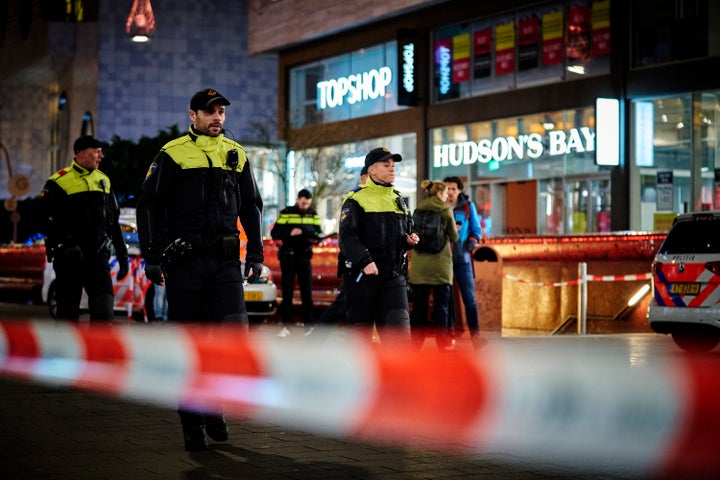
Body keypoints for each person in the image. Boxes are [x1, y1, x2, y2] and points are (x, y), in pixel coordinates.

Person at [136, 88, 264, 452]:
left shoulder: (236, 154)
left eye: (221, 111)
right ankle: (192, 422)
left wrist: (255, 254)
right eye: (210, 112)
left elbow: (251, 206)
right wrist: (152, 255)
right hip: (186, 263)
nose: (217, 118)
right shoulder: (172, 154)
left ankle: (215, 406)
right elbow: (148, 206)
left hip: (225, 263)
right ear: (192, 116)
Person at [35, 135, 129, 322]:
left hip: (98, 261)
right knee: (67, 317)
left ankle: (98, 352)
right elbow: (38, 219)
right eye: (97, 151)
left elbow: (113, 223)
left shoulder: (104, 181)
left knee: (104, 315)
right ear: (81, 153)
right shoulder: (58, 181)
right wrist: (66, 241)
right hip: (70, 260)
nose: (101, 156)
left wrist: (122, 257)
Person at [339, 147, 419, 345]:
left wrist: (410, 240)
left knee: (400, 341)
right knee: (361, 341)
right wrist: (365, 261)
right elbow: (347, 236)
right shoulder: (355, 199)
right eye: (386, 165)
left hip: (394, 278)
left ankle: (397, 376)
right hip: (363, 278)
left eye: (393, 165)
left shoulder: (398, 199)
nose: (392, 169)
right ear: (372, 170)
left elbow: (407, 230)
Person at [408, 180, 458, 351]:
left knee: (419, 308)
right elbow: (454, 236)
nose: (446, 197)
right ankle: (443, 345)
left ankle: (415, 345)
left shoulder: (417, 209)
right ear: (438, 194)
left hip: (419, 266)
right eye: (445, 194)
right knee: (441, 308)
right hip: (440, 266)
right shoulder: (445, 210)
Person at [270, 188, 322, 337]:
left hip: (305, 257)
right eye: (303, 203)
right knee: (288, 292)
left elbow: (318, 233)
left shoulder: (313, 214)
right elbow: (275, 233)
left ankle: (308, 326)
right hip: (288, 257)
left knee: (307, 292)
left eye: (308, 204)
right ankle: (286, 325)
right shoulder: (286, 212)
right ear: (298, 199)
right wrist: (290, 233)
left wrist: (305, 232)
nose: (305, 207)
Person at [443, 175, 486, 349]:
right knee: (447, 300)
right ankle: (449, 335)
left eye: (454, 188)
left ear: (460, 190)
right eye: (448, 188)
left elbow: (476, 230)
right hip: (443, 259)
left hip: (463, 259)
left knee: (469, 298)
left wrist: (469, 244)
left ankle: (475, 334)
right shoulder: (440, 207)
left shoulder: (468, 207)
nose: (451, 191)